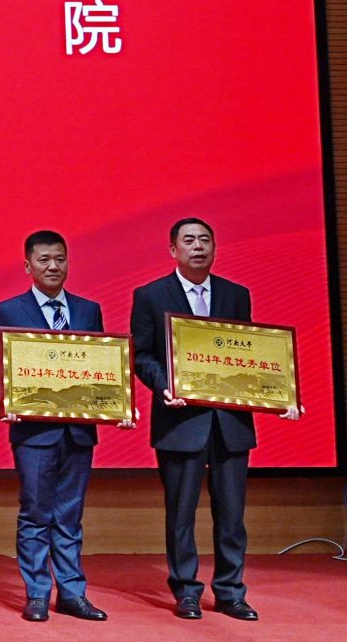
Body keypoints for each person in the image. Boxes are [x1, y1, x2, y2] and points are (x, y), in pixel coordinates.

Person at [130, 217, 300, 622]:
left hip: (230, 424)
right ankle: (186, 591)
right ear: (173, 249)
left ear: (214, 248)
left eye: (205, 240)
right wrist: (165, 386)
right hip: (179, 421)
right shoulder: (151, 295)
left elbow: (249, 356)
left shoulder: (236, 294)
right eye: (189, 240)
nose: (198, 246)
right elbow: (142, 355)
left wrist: (280, 396)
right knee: (181, 515)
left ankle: (230, 592)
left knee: (232, 516)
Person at [0, 230, 122, 623]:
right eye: (44, 260)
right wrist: (4, 399)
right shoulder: (9, 310)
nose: (53, 266)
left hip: (78, 431)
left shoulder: (88, 310)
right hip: (33, 432)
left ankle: (73, 593)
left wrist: (116, 404)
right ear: (28, 265)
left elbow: (101, 364)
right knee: (35, 512)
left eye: (60, 259)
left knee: (70, 515)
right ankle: (38, 594)